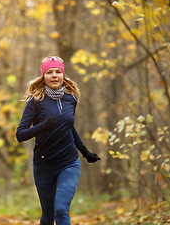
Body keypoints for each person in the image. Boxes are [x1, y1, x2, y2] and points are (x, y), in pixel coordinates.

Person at [16, 56, 100, 225]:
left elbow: (69, 127)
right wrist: (42, 127)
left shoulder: (71, 99)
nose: (54, 75)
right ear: (43, 77)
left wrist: (84, 152)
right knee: (48, 216)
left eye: (58, 72)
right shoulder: (35, 102)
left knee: (61, 210)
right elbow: (20, 134)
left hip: (68, 163)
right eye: (49, 72)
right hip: (44, 165)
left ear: (63, 75)